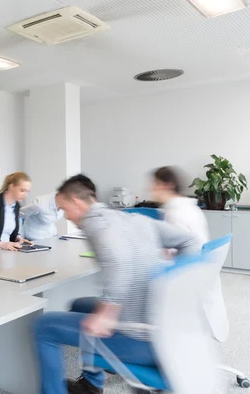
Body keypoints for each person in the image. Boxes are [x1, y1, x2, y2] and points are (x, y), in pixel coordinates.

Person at [34, 174, 201, 394]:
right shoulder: (131, 218)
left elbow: (120, 264)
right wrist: (176, 286)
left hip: (143, 338)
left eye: (65, 209)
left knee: (43, 326)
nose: (66, 217)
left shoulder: (95, 224)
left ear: (77, 202)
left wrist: (106, 315)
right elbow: (189, 240)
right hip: (167, 327)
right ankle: (92, 384)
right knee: (80, 304)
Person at [151, 165, 228, 342]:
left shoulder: (175, 213)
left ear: (167, 185)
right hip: (199, 277)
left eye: (155, 184)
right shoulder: (191, 208)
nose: (151, 189)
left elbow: (169, 254)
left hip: (184, 280)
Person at [21, 179, 95, 240]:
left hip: (52, 237)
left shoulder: (65, 204)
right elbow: (19, 215)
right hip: (34, 240)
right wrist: (19, 237)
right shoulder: (40, 204)